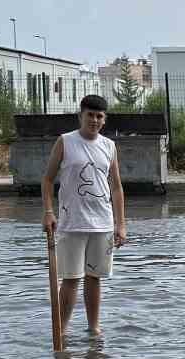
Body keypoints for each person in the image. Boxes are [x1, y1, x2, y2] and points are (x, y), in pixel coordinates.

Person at [42, 94, 127, 335]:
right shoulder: (65, 142)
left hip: (102, 223)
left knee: (94, 277)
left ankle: (93, 329)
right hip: (71, 223)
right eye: (90, 115)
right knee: (71, 278)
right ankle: (61, 332)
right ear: (81, 115)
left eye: (99, 116)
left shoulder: (109, 146)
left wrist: (120, 225)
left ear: (104, 119)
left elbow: (117, 187)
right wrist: (48, 212)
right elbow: (47, 180)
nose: (94, 120)